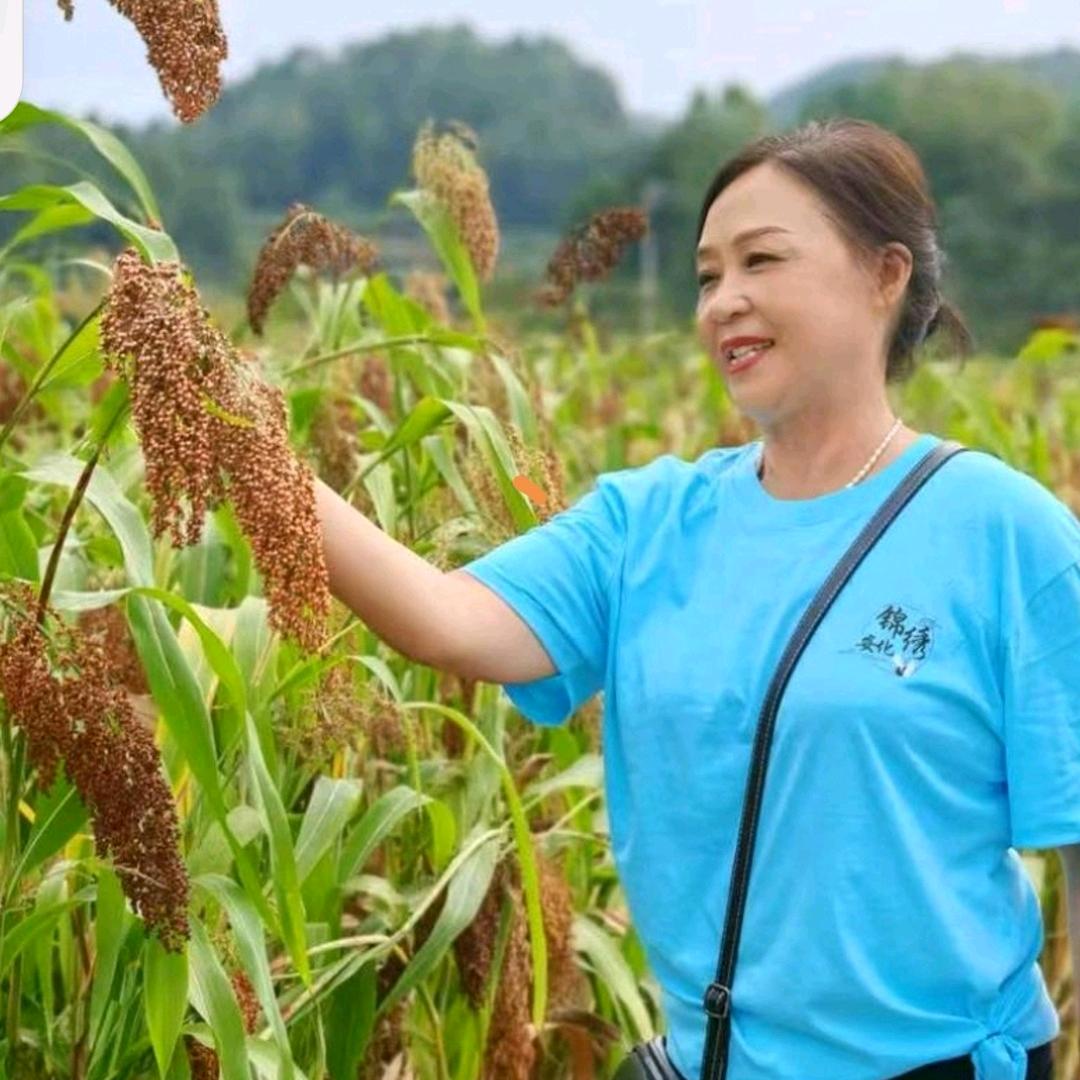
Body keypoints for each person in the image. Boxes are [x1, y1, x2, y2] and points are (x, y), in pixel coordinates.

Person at [314, 117, 1080, 1080]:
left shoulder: (1004, 535)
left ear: (886, 276)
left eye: (762, 260)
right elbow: (445, 619)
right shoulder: (647, 522)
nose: (725, 302)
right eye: (708, 276)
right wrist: (254, 457)